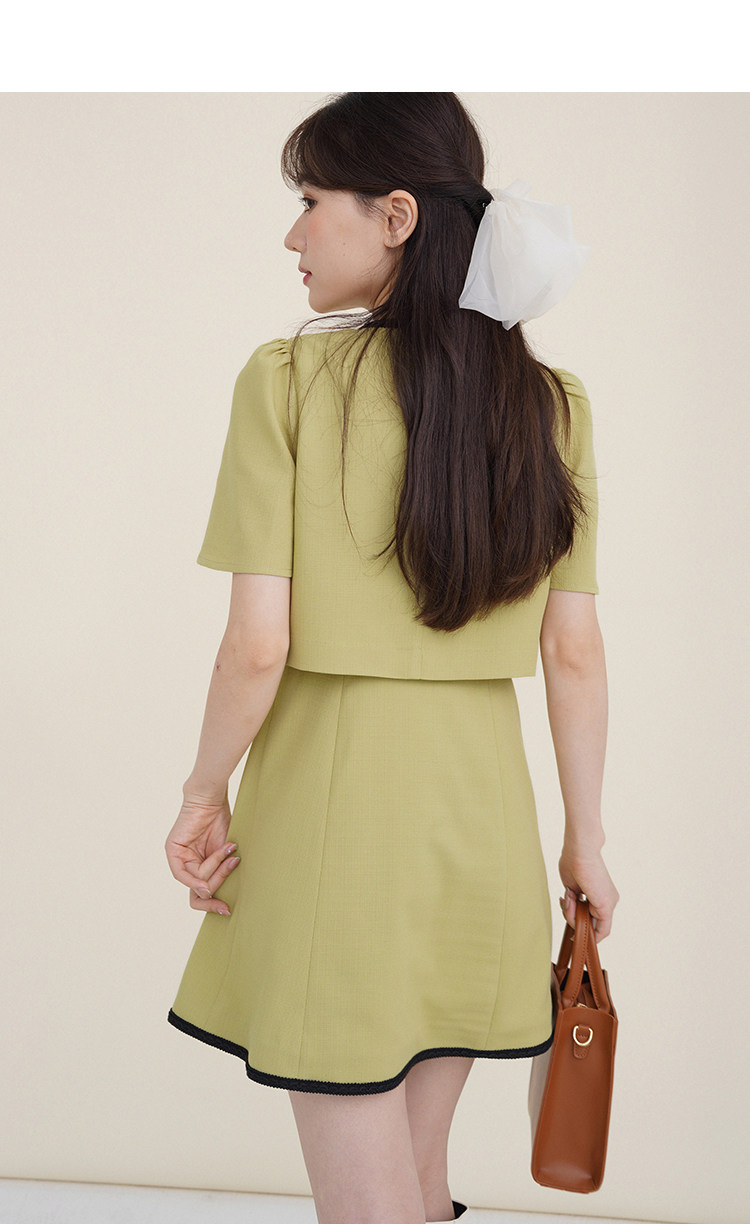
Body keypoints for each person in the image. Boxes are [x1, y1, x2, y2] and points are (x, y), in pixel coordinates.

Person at [164, 92, 619, 1224]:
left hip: (335, 815)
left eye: (312, 200)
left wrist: (203, 792)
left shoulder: (287, 380)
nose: (295, 232)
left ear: (398, 215)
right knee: (417, 1185)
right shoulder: (551, 406)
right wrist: (586, 841)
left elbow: (256, 645)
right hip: (485, 820)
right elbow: (572, 650)